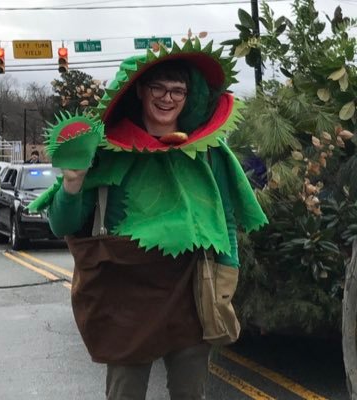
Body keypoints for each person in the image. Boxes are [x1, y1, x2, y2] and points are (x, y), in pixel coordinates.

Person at [29, 39, 268, 399]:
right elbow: (62, 225)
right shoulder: (107, 152)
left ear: (189, 96)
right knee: (125, 392)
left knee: (191, 392)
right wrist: (73, 183)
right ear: (140, 90)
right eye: (158, 87)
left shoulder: (207, 152)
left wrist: (226, 276)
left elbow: (225, 219)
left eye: (178, 90)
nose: (167, 98)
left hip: (190, 288)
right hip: (125, 292)